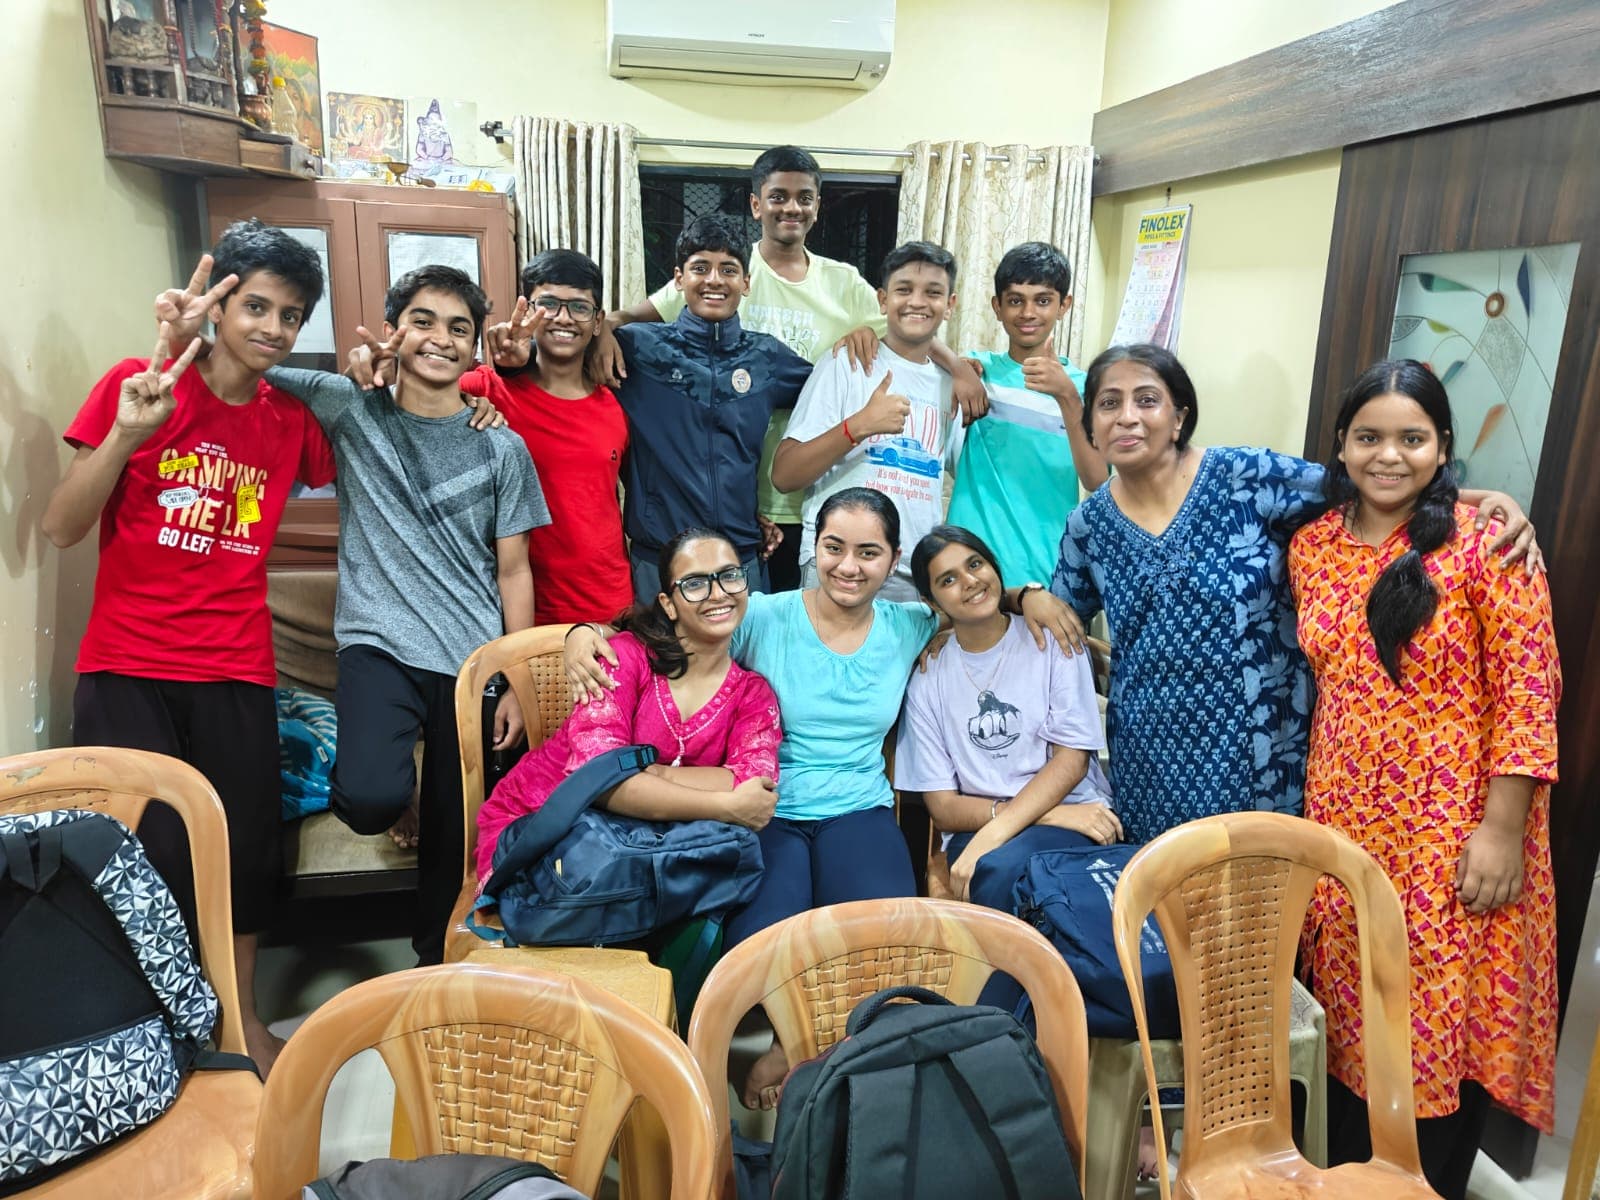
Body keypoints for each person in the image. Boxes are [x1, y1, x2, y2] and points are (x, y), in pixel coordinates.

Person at [567, 486, 1083, 1106]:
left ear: (892, 561)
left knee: (881, 939)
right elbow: (663, 620)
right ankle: (797, 1046)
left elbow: (971, 594)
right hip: (764, 808)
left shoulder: (910, 622)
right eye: (835, 548)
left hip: (858, 810)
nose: (849, 566)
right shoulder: (761, 613)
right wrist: (580, 633)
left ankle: (798, 1054)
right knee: (763, 942)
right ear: (815, 549)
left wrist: (1030, 596)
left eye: (869, 552)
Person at [42, 222, 335, 1076]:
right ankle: (149, 1032)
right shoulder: (139, 387)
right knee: (137, 858)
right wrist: (131, 433)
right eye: (255, 306)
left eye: (290, 314)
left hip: (236, 667)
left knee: (243, 852)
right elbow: (62, 527)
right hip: (126, 665)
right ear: (217, 303)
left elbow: (376, 427)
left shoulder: (290, 423)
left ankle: (241, 1020)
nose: (273, 328)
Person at [1050, 343, 1537, 846]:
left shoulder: (1248, 477)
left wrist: (1477, 498)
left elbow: (1364, 482)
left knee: (1263, 905)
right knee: (1165, 904)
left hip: (1261, 750)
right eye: (1109, 404)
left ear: (1179, 418)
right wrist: (1024, 598)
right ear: (1089, 425)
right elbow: (1059, 624)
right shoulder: (1088, 526)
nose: (1127, 417)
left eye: (1147, 400)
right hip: (1149, 755)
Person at [1289, 360, 1559, 1200]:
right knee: (1346, 1011)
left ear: (1443, 448)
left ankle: (1423, 1186)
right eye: (1369, 437)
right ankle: (1346, 1179)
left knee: (1435, 1025)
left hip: (1452, 828)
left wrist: (1502, 829)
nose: (1389, 456)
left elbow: (1529, 690)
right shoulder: (1313, 545)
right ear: (1341, 444)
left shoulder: (1487, 543)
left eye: (1413, 438)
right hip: (1341, 817)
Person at [264, 265, 548, 965]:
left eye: (459, 329)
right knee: (367, 797)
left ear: (475, 348)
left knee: (459, 842)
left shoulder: (501, 446)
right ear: (394, 330)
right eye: (422, 321)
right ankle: (408, 782)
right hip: (378, 645)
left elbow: (514, 568)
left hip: (469, 661)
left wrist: (514, 675)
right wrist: (352, 362)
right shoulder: (350, 408)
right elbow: (255, 362)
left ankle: (436, 963)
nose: (440, 340)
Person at [599, 145, 987, 590]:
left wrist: (955, 365)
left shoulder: (841, 284)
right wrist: (605, 330)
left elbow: (909, 324)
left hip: (808, 504)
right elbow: (627, 320)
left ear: (818, 206)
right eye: (778, 195)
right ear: (756, 204)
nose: (791, 207)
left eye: (804, 197)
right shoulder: (714, 274)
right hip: (736, 508)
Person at [474, 528, 780, 880]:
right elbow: (597, 779)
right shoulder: (624, 658)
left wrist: (653, 776)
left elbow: (753, 788)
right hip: (546, 832)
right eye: (695, 583)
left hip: (655, 847)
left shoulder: (753, 694)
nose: (718, 593)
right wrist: (724, 805)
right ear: (668, 603)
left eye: (729, 576)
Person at [894, 525, 1118, 909]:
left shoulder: (1050, 640)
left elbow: (1073, 760)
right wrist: (1043, 818)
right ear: (931, 602)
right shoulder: (929, 678)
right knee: (1000, 874)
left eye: (975, 564)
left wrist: (997, 832)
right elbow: (944, 808)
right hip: (1005, 825)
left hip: (1078, 814)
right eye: (948, 579)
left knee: (1004, 875)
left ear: (994, 567)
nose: (969, 582)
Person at [770, 242, 965, 601]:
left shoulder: (953, 386)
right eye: (904, 289)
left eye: (933, 293)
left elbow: (969, 476)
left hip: (914, 577)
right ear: (881, 299)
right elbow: (785, 475)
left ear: (950, 305)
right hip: (836, 567)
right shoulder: (846, 364)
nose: (917, 302)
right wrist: (859, 425)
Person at [457, 249, 632, 625]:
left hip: (607, 606)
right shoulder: (488, 388)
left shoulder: (614, 408)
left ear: (598, 321)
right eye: (548, 304)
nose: (563, 318)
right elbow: (407, 398)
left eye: (579, 307)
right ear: (527, 309)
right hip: (515, 608)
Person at [946, 243, 1107, 587]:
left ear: (1064, 305)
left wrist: (1066, 395)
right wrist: (956, 366)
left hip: (1046, 563)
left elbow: (1097, 481)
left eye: (1043, 300)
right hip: (969, 562)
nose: (1028, 312)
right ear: (997, 307)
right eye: (1016, 300)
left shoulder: (1084, 388)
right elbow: (917, 347)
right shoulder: (977, 371)